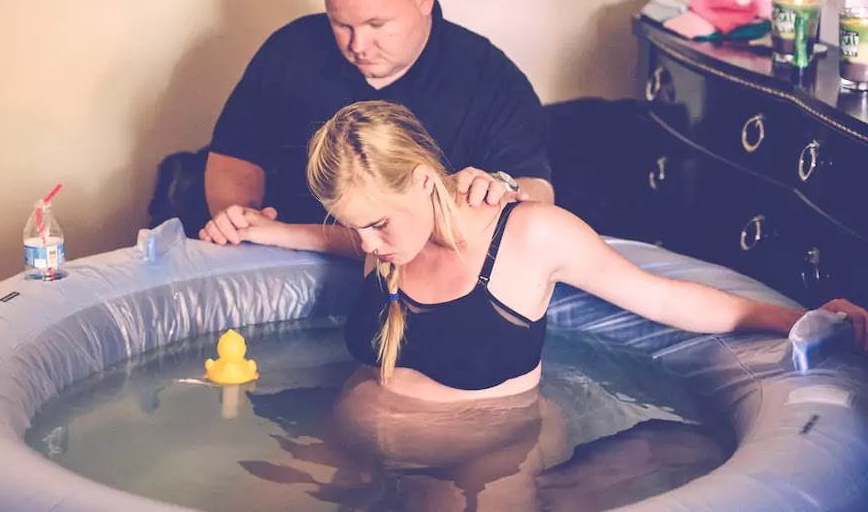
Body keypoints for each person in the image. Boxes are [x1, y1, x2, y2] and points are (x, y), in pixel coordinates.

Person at [304, 99, 868, 402]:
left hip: (477, 468)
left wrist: (803, 318)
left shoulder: (532, 235)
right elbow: (337, 239)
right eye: (357, 230)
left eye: (375, 225)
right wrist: (262, 229)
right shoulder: (389, 241)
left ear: (425, 182)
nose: (367, 245)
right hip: (360, 448)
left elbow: (665, 299)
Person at [199, 0, 553, 259]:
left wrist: (500, 187)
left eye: (377, 24)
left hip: (428, 270)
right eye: (341, 25)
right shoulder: (289, 52)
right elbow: (233, 158)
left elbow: (537, 189)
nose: (359, 45)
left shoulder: (489, 75)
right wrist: (240, 220)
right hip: (289, 260)